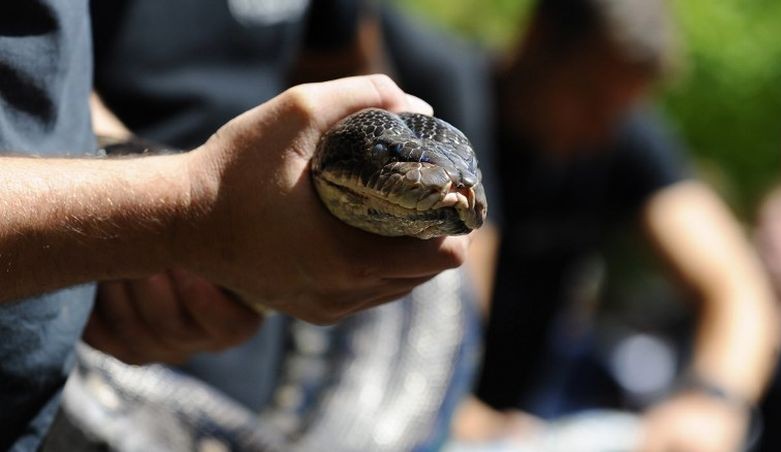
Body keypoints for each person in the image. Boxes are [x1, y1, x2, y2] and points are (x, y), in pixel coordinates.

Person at [0, 1, 470, 450]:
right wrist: (175, 212)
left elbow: (47, 79)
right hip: (72, 369)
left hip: (240, 346)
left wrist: (134, 173)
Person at [467, 1, 781, 451]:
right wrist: (458, 410)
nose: (602, 128)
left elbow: (737, 287)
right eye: (588, 97)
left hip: (520, 423)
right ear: (538, 40)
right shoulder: (453, 93)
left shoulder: (619, 135)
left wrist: (713, 401)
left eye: (619, 111)